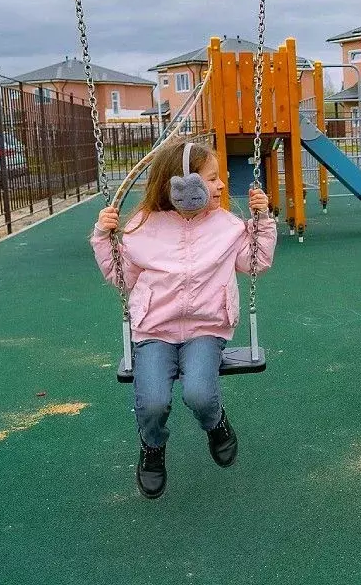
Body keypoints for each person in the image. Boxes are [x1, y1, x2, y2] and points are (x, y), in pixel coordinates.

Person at [91, 141, 277, 499]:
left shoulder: (228, 226)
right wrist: (104, 235)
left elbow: (255, 263)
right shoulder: (142, 228)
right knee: (154, 401)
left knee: (199, 394)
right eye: (211, 179)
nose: (222, 186)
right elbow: (121, 277)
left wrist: (262, 221)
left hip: (206, 328)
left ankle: (216, 424)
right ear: (183, 184)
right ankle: (152, 447)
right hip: (154, 331)